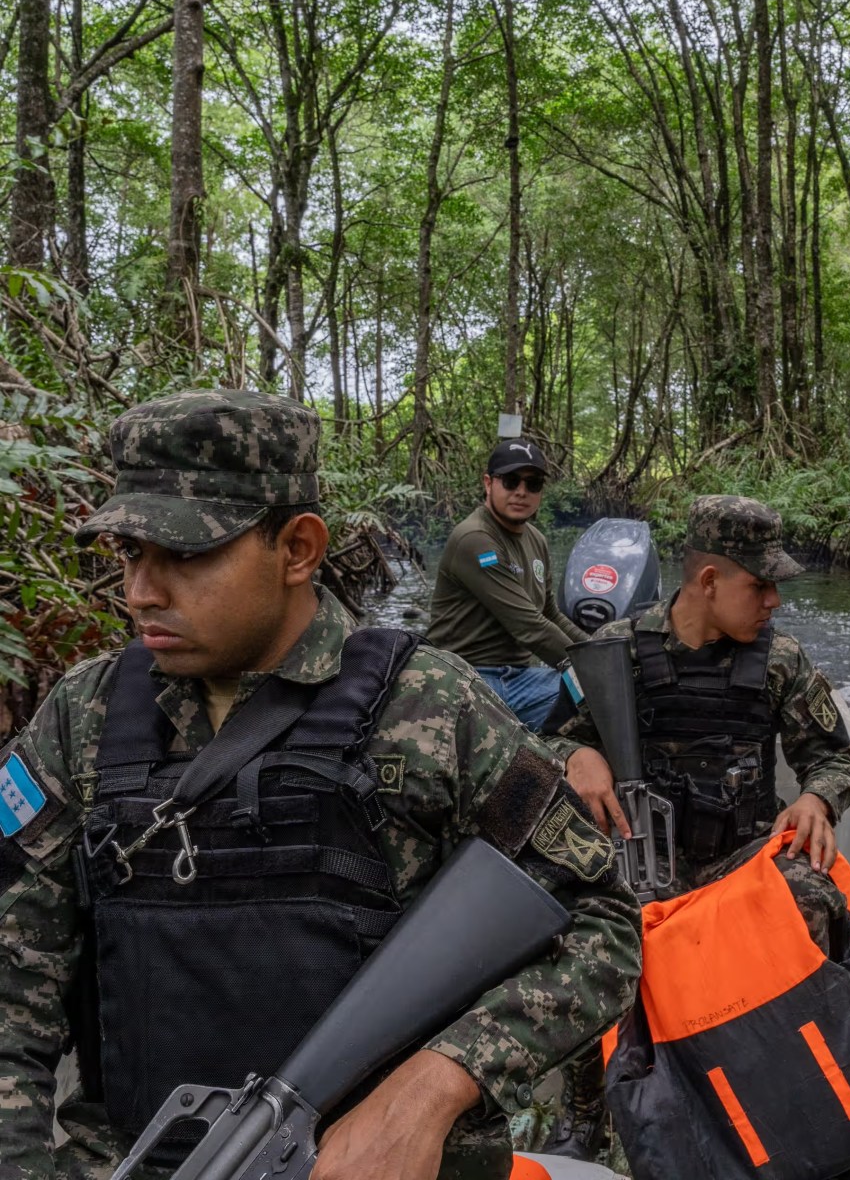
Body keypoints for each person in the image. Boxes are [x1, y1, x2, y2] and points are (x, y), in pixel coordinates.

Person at [0, 390, 641, 1180]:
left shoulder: (430, 707)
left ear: (298, 548)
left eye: (185, 555)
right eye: (130, 554)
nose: (141, 593)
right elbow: (11, 981)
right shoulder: (82, 717)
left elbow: (601, 922)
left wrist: (437, 1084)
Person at [541, 493, 850, 1161]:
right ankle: (584, 1113)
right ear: (709, 581)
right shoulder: (614, 654)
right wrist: (577, 754)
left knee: (813, 895)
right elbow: (538, 747)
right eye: (761, 584)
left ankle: (790, 1077)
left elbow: (829, 753)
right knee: (576, 927)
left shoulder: (779, 662)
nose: (774, 600)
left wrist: (817, 801)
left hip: (735, 865)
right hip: (634, 867)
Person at [426, 439, 588, 730]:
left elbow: (550, 613)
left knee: (594, 697)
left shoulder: (536, 539)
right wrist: (596, 668)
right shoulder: (475, 538)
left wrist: (595, 647)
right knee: (593, 693)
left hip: (519, 677)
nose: (521, 492)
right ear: (488, 483)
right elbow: (530, 627)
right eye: (511, 481)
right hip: (467, 676)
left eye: (533, 483)